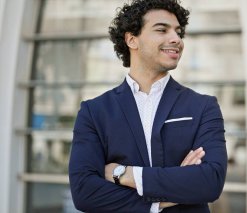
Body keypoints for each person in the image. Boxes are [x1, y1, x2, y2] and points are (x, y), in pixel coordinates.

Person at [68, 0, 227, 212]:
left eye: (178, 32)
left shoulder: (204, 107)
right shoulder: (94, 112)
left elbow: (210, 182)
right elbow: (84, 193)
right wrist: (165, 197)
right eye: (162, 29)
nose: (176, 39)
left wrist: (125, 175)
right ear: (132, 40)